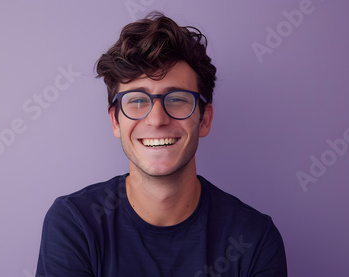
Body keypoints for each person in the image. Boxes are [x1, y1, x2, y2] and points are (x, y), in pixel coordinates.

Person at [36, 12, 287, 277]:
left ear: (204, 119)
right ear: (116, 122)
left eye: (177, 98)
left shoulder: (254, 239)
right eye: (136, 100)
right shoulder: (75, 224)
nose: (157, 119)